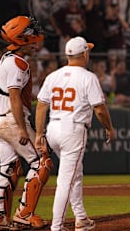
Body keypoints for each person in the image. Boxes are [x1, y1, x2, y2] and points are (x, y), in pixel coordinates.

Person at [34, 36, 115, 231]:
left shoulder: (53, 76)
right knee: (66, 180)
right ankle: (57, 226)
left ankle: (80, 218)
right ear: (85, 54)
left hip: (53, 128)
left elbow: (41, 106)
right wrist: (109, 128)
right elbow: (100, 109)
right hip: (72, 130)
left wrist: (39, 134)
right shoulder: (88, 77)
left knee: (75, 174)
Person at [0, 15, 50, 230]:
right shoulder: (19, 63)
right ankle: (24, 214)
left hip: (0, 120)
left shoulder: (6, 57)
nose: (35, 40)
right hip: (13, 122)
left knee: (8, 169)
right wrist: (22, 129)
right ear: (22, 38)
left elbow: (14, 95)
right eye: (32, 35)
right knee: (41, 162)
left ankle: (0, 219)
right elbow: (14, 96)